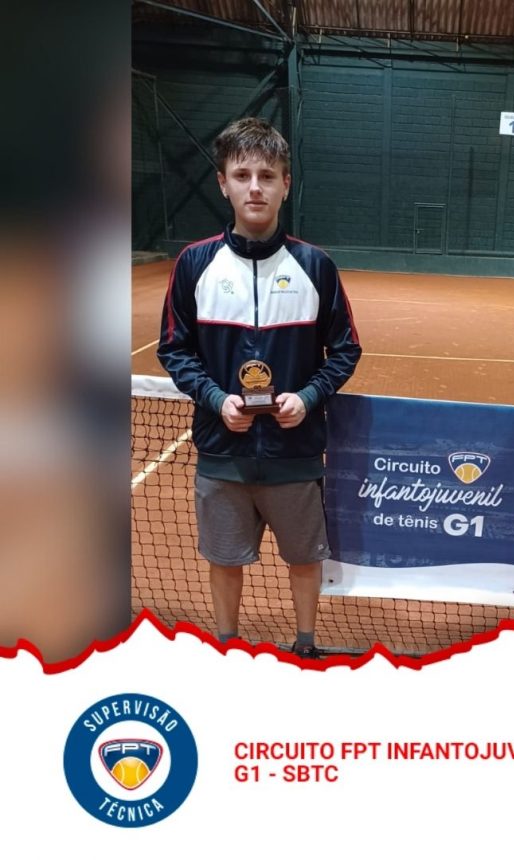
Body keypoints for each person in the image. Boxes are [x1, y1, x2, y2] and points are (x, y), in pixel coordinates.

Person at [157, 117, 361, 657]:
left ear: (285, 185)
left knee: (304, 558)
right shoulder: (195, 263)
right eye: (242, 175)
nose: (255, 187)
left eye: (267, 176)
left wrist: (308, 398)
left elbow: (345, 349)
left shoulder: (315, 266)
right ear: (222, 182)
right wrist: (216, 399)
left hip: (295, 451)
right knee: (224, 559)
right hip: (222, 450)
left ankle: (305, 644)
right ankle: (227, 645)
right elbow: (174, 349)